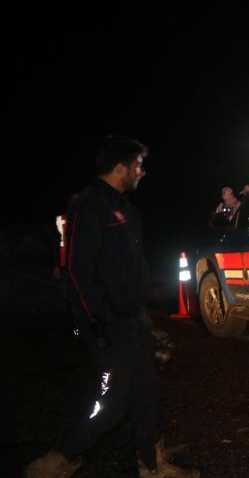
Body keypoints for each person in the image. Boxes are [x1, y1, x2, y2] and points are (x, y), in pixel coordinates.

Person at [25, 135, 199, 478]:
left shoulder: (121, 206)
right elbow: (77, 273)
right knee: (113, 402)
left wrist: (142, 316)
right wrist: (96, 322)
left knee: (147, 392)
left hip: (132, 317)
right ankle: (59, 459)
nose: (142, 172)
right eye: (137, 165)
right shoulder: (89, 206)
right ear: (120, 167)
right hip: (108, 322)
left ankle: (151, 464)